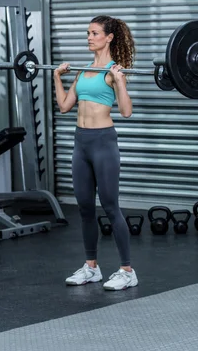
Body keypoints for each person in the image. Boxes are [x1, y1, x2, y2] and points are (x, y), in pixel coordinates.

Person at [53, 15, 138, 291]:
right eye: (87, 32)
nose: (89, 37)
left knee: (111, 206)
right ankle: (91, 268)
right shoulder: (83, 70)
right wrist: (57, 77)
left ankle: (127, 270)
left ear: (109, 37)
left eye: (94, 33)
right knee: (85, 208)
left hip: (103, 142)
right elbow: (65, 106)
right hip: (81, 143)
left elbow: (126, 112)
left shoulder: (115, 71)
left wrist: (120, 81)